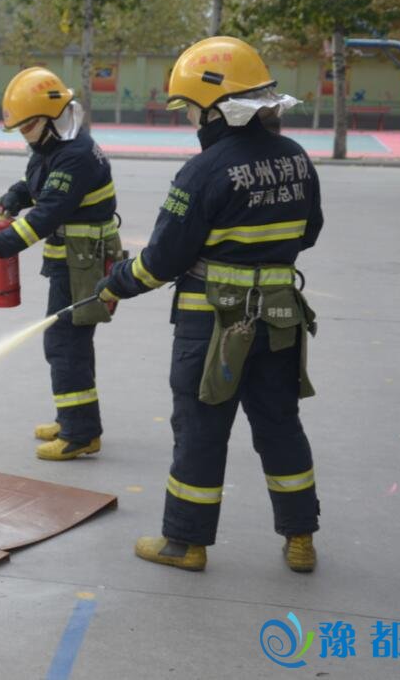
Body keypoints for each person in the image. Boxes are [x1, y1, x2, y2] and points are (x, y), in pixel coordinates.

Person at [95, 36, 323, 573]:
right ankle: (301, 538)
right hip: (280, 319)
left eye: (194, 109)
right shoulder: (296, 159)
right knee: (280, 425)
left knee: (201, 429)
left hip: (213, 324)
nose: (193, 120)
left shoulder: (204, 172)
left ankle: (186, 542)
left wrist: (115, 285)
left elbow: (162, 260)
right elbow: (309, 231)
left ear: (217, 108)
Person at [0, 67, 123, 461]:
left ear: (49, 120)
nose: (25, 136)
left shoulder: (75, 157)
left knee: (65, 343)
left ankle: (80, 434)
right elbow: (40, 185)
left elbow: (44, 216)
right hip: (73, 261)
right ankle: (74, 419)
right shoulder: (58, 147)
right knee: (70, 342)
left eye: (27, 127)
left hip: (82, 265)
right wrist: (16, 194)